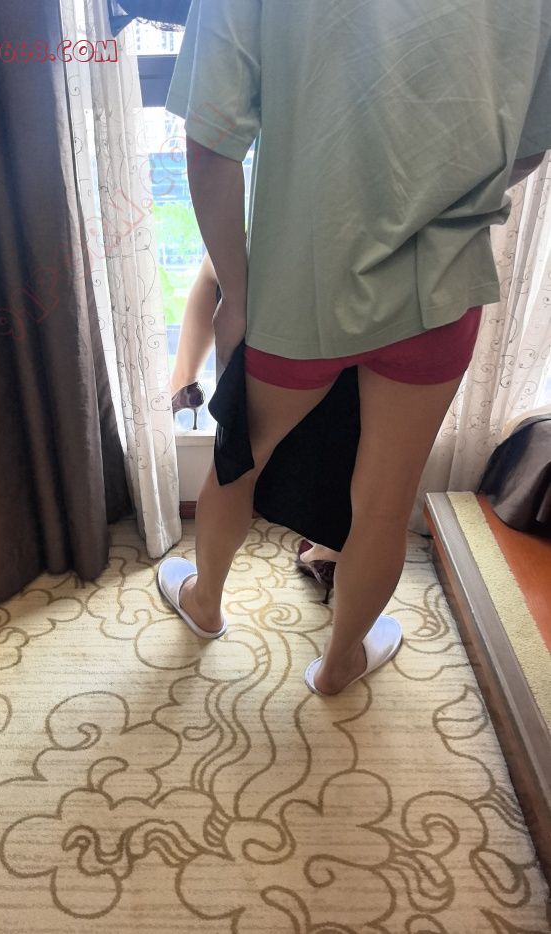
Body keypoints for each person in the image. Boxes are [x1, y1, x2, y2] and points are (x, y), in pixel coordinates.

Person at [158, 0, 551, 696]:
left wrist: (237, 295)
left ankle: (205, 603)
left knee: (238, 462)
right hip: (440, 288)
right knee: (383, 505)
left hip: (300, 281)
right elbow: (528, 148)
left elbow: (211, 142)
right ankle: (339, 664)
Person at [171, 254, 341, 600]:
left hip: (299, 300)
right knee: (377, 484)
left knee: (237, 467)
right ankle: (329, 558)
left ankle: (183, 385)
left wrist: (234, 301)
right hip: (406, 308)